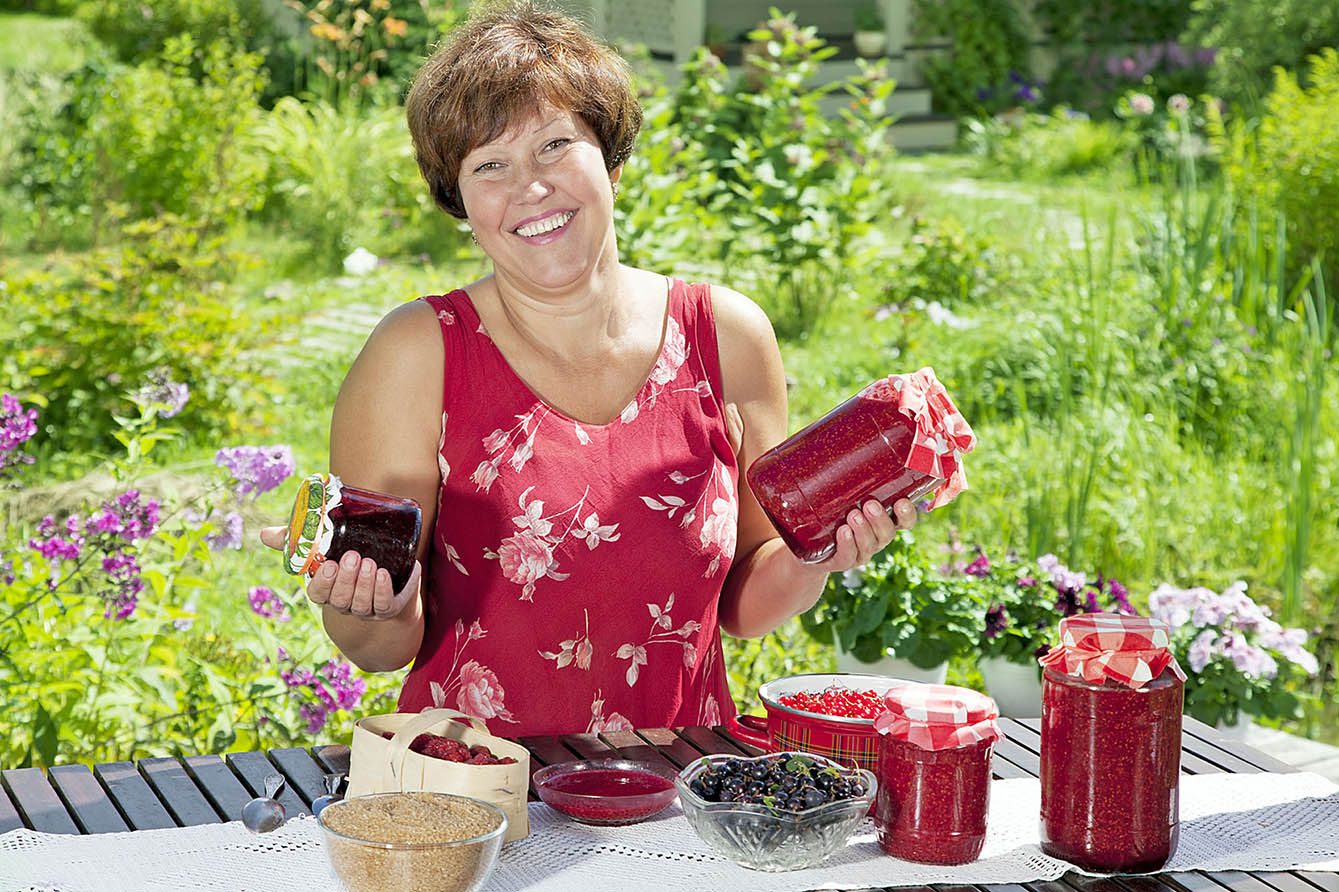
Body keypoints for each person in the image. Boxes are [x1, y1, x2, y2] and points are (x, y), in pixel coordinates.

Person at [262, 0, 915, 737]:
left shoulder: (726, 337)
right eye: (489, 165)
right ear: (458, 201)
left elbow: (742, 604)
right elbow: (380, 651)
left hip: (677, 775)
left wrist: (816, 557)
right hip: (477, 785)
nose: (530, 187)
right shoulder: (416, 353)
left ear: (610, 155)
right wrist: (372, 603)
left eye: (554, 145)